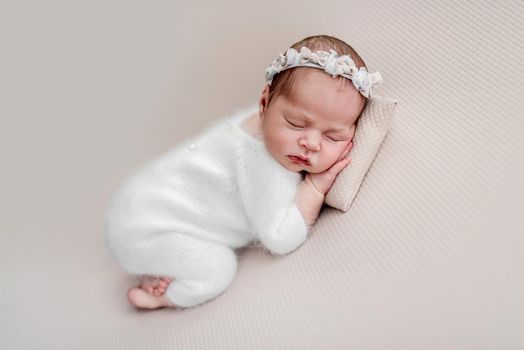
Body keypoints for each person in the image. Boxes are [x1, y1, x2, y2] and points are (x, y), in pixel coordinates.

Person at [104, 34, 382, 310]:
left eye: (333, 137)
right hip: (145, 230)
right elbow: (280, 237)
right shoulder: (264, 165)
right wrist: (314, 188)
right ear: (264, 103)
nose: (311, 143)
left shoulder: (266, 125)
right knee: (218, 268)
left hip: (139, 203)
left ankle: (161, 262)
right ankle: (160, 296)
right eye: (296, 123)